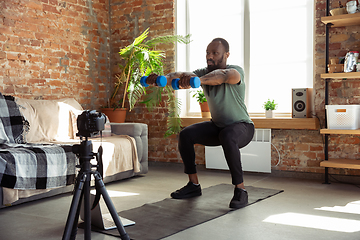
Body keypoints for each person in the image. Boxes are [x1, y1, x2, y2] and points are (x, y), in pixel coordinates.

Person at [165, 38, 255, 209]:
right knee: (186, 134)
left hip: (242, 127)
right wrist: (162, 78)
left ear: (226, 55)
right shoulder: (203, 72)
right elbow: (179, 75)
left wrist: (197, 81)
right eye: (208, 52)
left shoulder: (236, 71)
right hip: (218, 126)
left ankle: (241, 190)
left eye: (215, 53)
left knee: (227, 135)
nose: (210, 56)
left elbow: (222, 77)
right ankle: (194, 185)